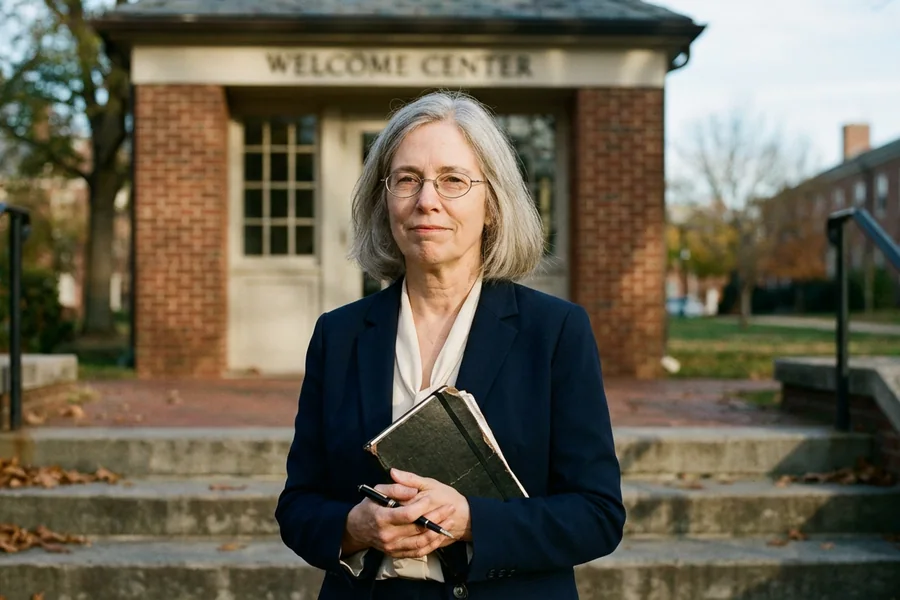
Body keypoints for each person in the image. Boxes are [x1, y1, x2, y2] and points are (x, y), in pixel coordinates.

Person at [275, 91, 625, 600]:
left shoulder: (554, 332)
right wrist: (353, 527)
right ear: (384, 198)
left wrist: (471, 520)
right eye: (407, 179)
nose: (426, 200)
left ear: (493, 205)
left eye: (453, 180)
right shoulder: (339, 334)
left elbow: (597, 515)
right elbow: (298, 505)